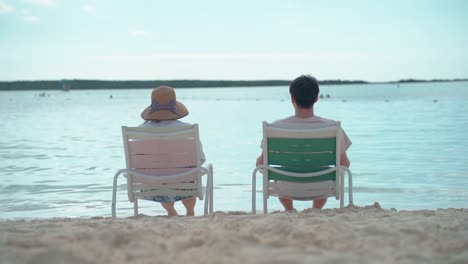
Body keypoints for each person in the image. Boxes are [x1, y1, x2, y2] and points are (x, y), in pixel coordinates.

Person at [256, 75, 351, 211]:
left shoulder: (274, 128)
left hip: (286, 188)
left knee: (279, 174)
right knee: (326, 172)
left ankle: (289, 209)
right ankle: (316, 209)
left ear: (292, 99)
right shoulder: (333, 128)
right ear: (316, 98)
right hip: (321, 187)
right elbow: (344, 164)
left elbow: (261, 164)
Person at [139, 86, 206, 217]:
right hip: (184, 185)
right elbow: (201, 159)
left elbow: (139, 164)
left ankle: (171, 211)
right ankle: (190, 212)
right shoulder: (188, 129)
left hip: (152, 186)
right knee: (189, 174)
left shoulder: (140, 131)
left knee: (161, 177)